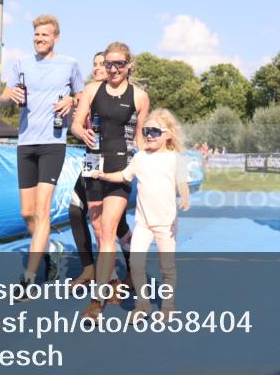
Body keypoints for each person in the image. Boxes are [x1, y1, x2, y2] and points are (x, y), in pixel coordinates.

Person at [0, 14, 83, 293]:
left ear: (55, 37)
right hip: (26, 143)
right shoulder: (21, 64)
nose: (39, 39)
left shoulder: (69, 64)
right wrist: (10, 96)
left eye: (44, 35)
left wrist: (72, 100)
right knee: (27, 212)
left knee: (42, 210)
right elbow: (3, 95)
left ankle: (28, 278)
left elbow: (83, 96)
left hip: (53, 143)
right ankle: (48, 254)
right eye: (36, 35)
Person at [71, 41, 149, 319]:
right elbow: (76, 124)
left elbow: (140, 138)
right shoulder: (92, 89)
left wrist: (149, 161)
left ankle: (96, 302)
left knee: (107, 229)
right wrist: (82, 133)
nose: (113, 69)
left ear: (129, 65)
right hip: (93, 162)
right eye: (108, 64)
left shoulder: (139, 96)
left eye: (118, 64)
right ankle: (114, 281)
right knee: (98, 229)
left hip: (121, 163)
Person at [92, 108, 190, 321]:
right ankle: (143, 305)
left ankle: (168, 306)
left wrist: (184, 197)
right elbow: (124, 176)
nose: (149, 135)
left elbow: (182, 183)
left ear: (168, 134)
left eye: (155, 131)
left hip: (166, 224)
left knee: (167, 267)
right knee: (136, 265)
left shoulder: (175, 159)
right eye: (146, 130)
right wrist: (105, 175)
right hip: (143, 223)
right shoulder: (140, 158)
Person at [69, 52, 132, 289]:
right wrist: (75, 118)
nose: (96, 68)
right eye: (94, 64)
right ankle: (105, 274)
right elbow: (75, 126)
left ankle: (130, 269)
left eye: (101, 64)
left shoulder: (122, 95)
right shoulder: (88, 92)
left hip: (117, 160)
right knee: (82, 214)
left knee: (116, 226)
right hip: (92, 159)